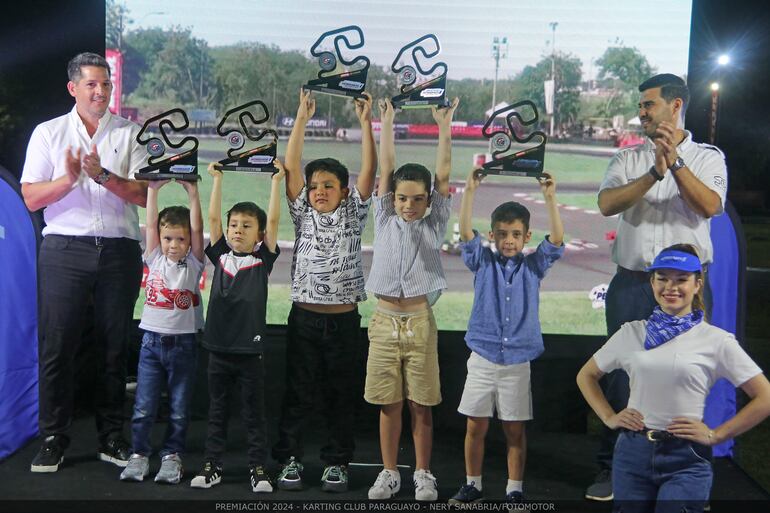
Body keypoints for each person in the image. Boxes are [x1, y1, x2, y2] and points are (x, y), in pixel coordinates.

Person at [588, 73, 728, 500]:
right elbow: (607, 204)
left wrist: (676, 164)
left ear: (676, 105)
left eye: (648, 104)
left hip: (686, 288)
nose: (641, 111)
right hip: (632, 283)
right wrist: (655, 171)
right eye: (642, 104)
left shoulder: (707, 156)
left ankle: (685, 471)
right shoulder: (629, 158)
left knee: (688, 375)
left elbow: (710, 206)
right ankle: (615, 469)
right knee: (620, 378)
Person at [21, 52, 148, 473]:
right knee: (57, 347)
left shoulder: (131, 134)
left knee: (114, 347)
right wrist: (68, 178)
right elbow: (31, 198)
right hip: (64, 250)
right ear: (73, 88)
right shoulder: (49, 133)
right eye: (92, 84)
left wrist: (103, 176)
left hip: (117, 250)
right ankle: (53, 437)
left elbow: (148, 196)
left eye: (106, 84)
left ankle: (112, 436)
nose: (100, 91)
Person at [577, 244, 770, 513]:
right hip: (632, 454)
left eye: (681, 279)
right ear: (652, 282)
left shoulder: (715, 341)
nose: (671, 287)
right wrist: (609, 417)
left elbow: (765, 397)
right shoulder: (631, 333)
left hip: (686, 458)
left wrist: (717, 435)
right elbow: (586, 375)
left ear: (697, 284)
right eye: (663, 278)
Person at [271, 89, 376, 493]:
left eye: (329, 185)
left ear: (344, 191)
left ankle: (337, 463)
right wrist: (300, 117)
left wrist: (366, 122)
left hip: (344, 322)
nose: (319, 191)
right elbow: (292, 163)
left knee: (340, 395)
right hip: (305, 319)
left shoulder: (354, 211)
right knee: (297, 394)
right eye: (315, 186)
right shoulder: (302, 213)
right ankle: (290, 459)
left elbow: (368, 171)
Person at [448, 169, 564, 504]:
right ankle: (473, 484)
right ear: (492, 235)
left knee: (514, 429)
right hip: (483, 357)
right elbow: (467, 232)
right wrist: (469, 190)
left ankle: (514, 489)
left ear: (527, 236)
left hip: (517, 362)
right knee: (475, 427)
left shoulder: (534, 266)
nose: (508, 240)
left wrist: (550, 198)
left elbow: (556, 240)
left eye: (515, 234)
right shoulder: (482, 261)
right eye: (501, 234)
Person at [363, 97, 459, 502]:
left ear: (428, 201)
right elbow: (386, 169)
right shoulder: (383, 215)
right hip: (384, 320)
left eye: (417, 199)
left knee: (421, 403)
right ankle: (389, 472)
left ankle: (422, 472)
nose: (408, 204)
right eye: (402, 197)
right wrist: (385, 119)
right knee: (389, 404)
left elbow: (443, 173)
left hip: (419, 321)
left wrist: (444, 126)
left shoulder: (434, 219)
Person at [189, 160, 284, 492]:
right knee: (216, 412)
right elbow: (213, 218)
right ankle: (212, 465)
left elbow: (273, 218)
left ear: (259, 235)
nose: (237, 230)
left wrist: (276, 182)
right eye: (234, 225)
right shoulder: (220, 256)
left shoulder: (262, 260)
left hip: (250, 352)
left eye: (246, 226)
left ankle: (258, 468)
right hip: (218, 349)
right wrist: (217, 180)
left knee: (253, 415)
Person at [119, 179, 204, 484]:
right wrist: (152, 189)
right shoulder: (154, 256)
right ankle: (139, 454)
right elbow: (151, 223)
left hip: (184, 345)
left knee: (179, 409)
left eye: (180, 240)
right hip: (151, 344)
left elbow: (196, 228)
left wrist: (192, 192)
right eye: (168, 238)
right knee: (143, 406)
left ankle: (172, 456)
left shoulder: (194, 263)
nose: (173, 245)